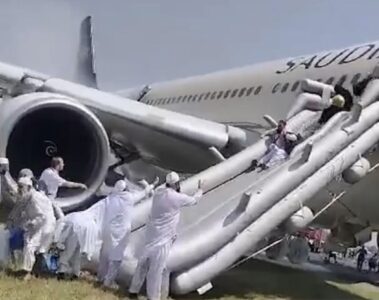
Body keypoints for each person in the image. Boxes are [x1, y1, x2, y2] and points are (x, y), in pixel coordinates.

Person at [128, 172, 203, 300]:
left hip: (151, 236)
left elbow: (165, 188)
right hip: (163, 240)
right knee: (156, 271)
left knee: (142, 265)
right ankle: (153, 297)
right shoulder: (177, 198)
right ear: (176, 184)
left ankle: (133, 291)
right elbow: (194, 200)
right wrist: (201, 189)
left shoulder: (158, 193)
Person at [97, 178, 157, 288]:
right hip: (121, 232)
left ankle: (100, 278)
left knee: (104, 256)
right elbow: (144, 193)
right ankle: (108, 282)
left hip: (108, 229)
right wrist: (152, 185)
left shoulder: (110, 198)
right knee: (116, 258)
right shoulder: (128, 198)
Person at [15, 177, 56, 280]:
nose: (19, 189)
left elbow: (41, 216)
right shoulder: (28, 196)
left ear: (29, 187)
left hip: (45, 225)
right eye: (18, 187)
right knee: (34, 247)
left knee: (30, 246)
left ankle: (27, 272)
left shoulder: (35, 198)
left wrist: (30, 224)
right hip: (40, 224)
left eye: (21, 187)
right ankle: (36, 271)